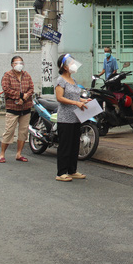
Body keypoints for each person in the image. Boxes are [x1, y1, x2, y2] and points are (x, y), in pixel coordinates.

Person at [54, 53, 90, 182]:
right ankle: (61, 172)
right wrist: (76, 103)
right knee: (65, 145)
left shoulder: (73, 81)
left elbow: (74, 97)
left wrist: (84, 101)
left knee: (75, 145)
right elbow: (60, 98)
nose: (73, 65)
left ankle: (72, 170)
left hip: (76, 117)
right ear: (64, 67)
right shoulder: (60, 80)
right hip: (65, 118)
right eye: (70, 63)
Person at [0, 56, 34, 163]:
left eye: (21, 62)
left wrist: (26, 96)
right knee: (9, 131)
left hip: (26, 107)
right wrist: (20, 96)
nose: (19, 65)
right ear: (12, 64)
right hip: (12, 107)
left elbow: (31, 88)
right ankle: (2, 154)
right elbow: (6, 89)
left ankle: (19, 153)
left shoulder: (26, 75)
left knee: (23, 132)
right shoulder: (7, 75)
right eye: (16, 63)